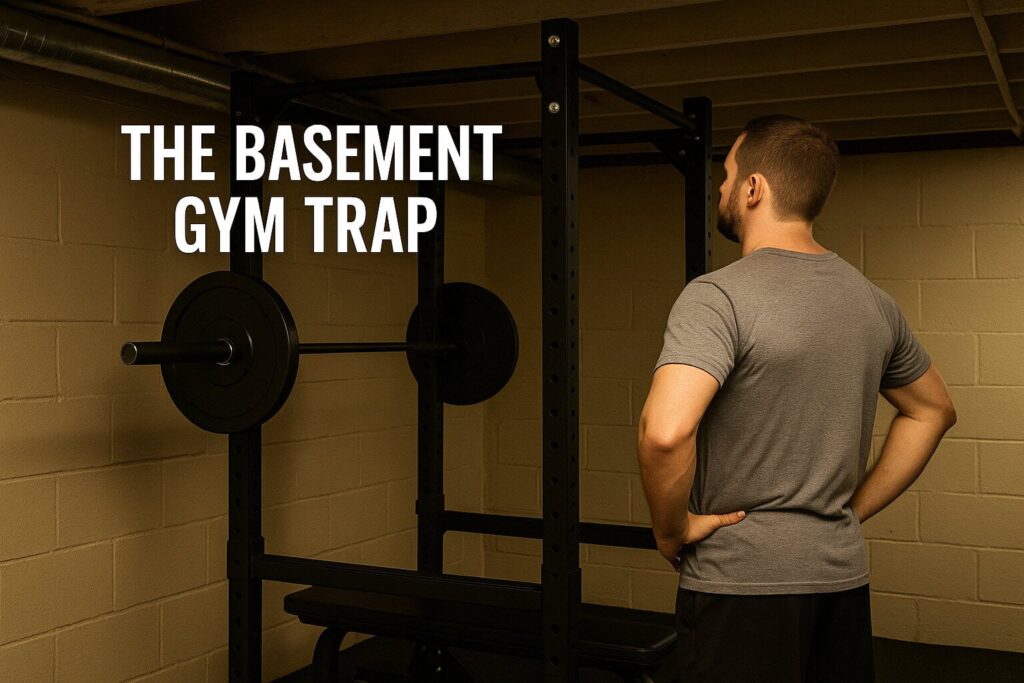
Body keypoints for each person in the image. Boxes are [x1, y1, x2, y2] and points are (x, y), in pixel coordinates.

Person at [636, 114, 957, 683]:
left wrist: (671, 530)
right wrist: (847, 512)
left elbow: (665, 432)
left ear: (755, 189)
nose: (721, 187)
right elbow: (933, 410)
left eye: (728, 174)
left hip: (740, 585)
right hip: (839, 579)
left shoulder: (717, 296)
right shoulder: (873, 303)